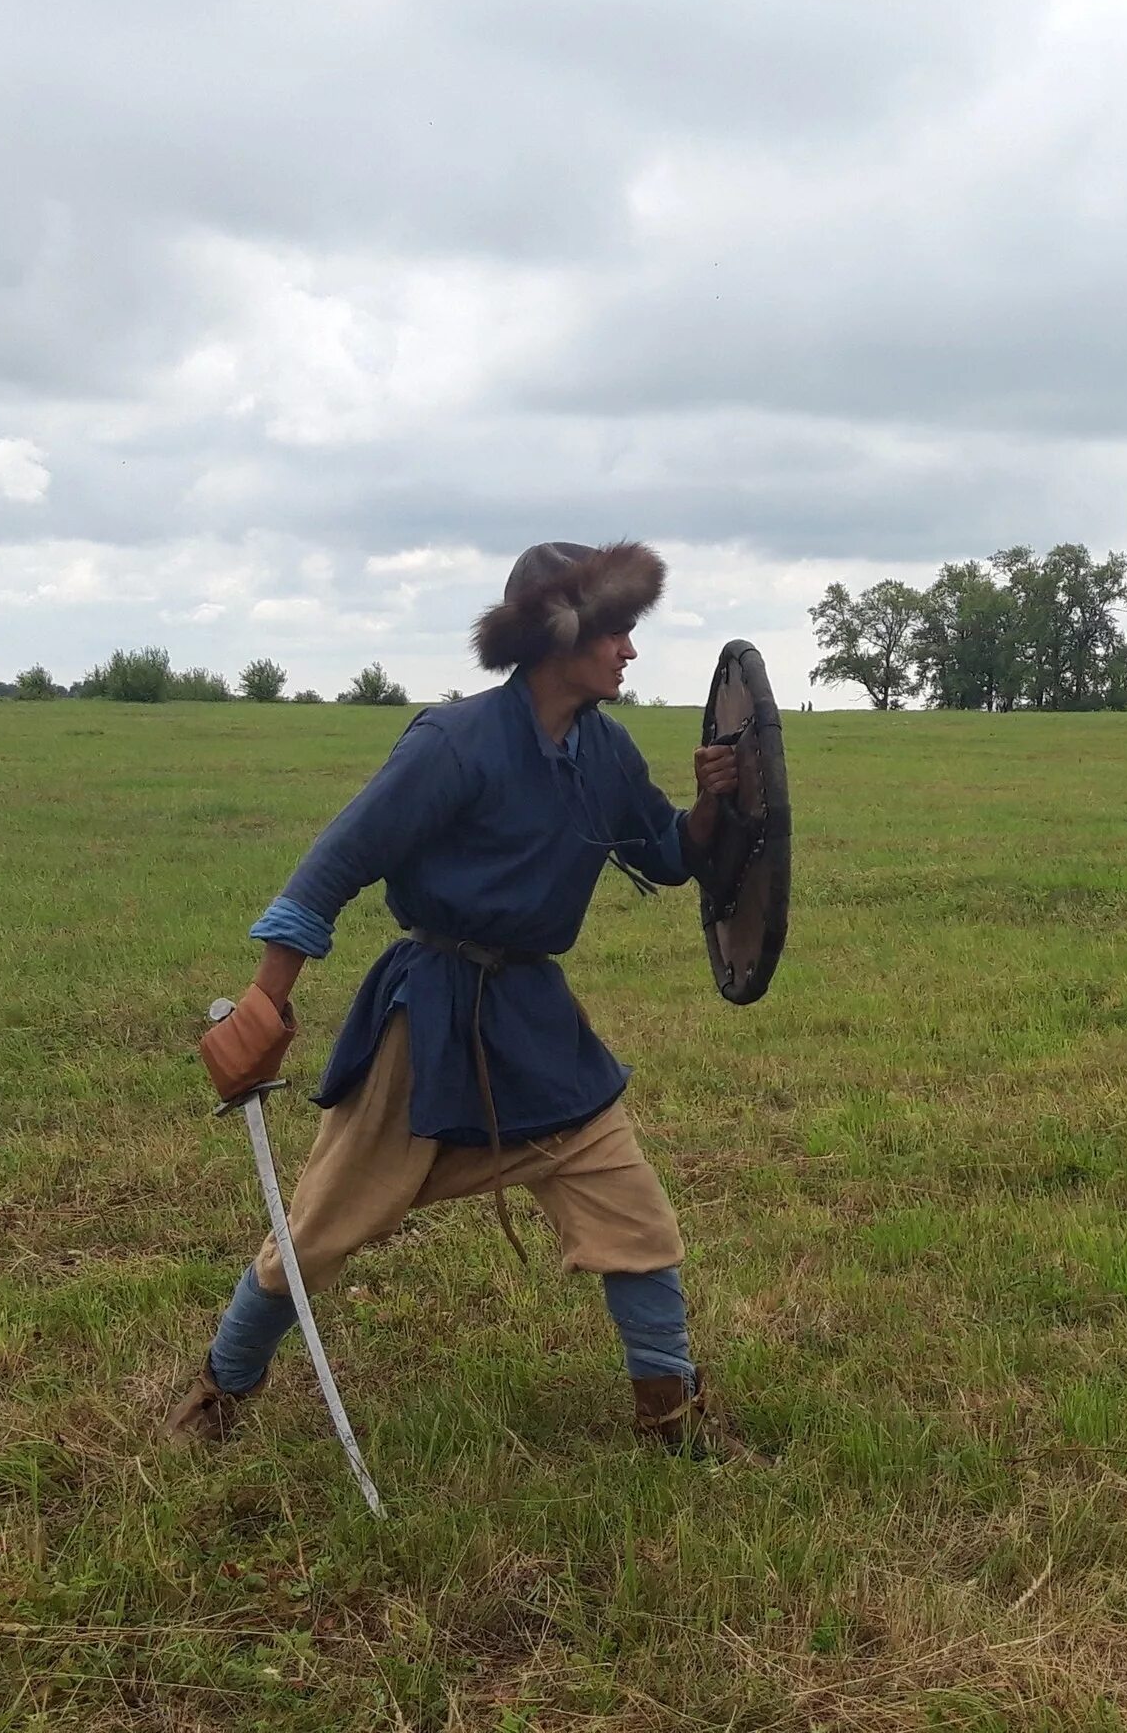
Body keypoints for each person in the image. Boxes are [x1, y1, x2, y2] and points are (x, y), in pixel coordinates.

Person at [166, 540, 740, 1453]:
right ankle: (216, 1396)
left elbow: (666, 855)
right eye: (617, 631)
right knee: (317, 1230)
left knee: (634, 1212)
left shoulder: (604, 750)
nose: (630, 651)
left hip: (537, 1021)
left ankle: (670, 1422)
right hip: (429, 1017)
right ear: (561, 638)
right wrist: (263, 1004)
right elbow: (335, 866)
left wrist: (711, 807)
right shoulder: (455, 742)